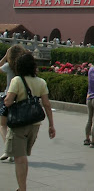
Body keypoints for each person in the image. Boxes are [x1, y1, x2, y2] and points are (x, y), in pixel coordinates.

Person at [4, 53, 56, 191]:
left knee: (19, 158)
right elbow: (47, 104)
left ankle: (22, 188)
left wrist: (6, 100)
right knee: (23, 156)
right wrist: (51, 125)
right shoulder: (41, 82)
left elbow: (8, 101)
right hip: (34, 124)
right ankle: (22, 188)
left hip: (19, 123)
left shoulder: (17, 81)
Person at [0, 45, 28, 162]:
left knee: (3, 125)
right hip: (21, 99)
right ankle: (15, 150)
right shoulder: (25, 68)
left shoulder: (9, 67)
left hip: (8, 97)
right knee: (16, 126)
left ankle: (8, 150)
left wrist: (5, 56)